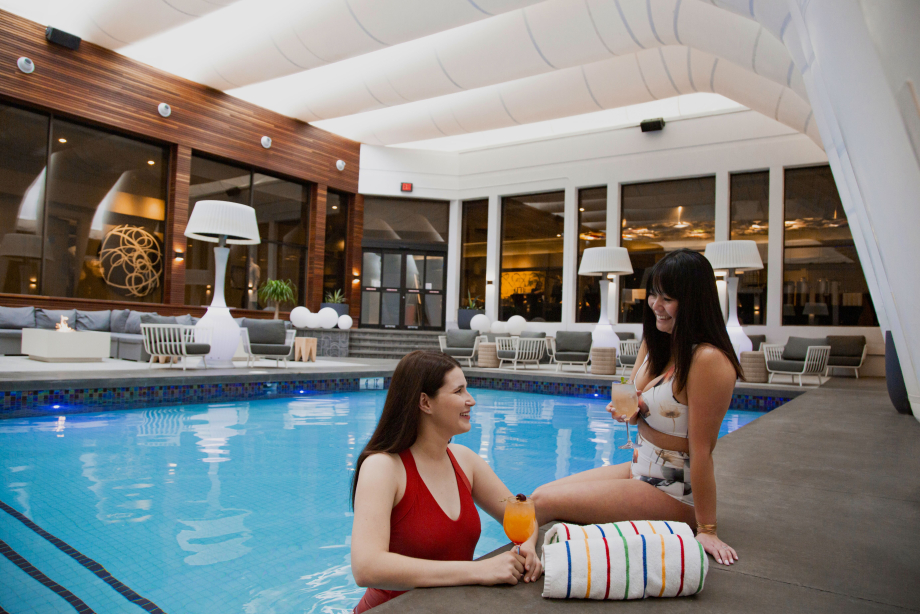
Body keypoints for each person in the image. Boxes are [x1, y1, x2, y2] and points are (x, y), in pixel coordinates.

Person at [532, 249, 742, 567]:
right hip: (638, 469)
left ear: (694, 301)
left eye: (667, 297)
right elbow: (630, 395)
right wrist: (626, 408)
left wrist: (707, 529)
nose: (656, 305)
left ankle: (513, 565)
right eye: (654, 294)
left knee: (541, 503)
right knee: (538, 495)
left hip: (672, 489)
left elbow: (702, 451)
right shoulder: (655, 340)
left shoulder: (708, 360)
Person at [350, 351, 543, 612]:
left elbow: (523, 514)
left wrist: (527, 547)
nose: (471, 400)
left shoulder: (465, 461)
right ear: (425, 403)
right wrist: (477, 570)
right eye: (459, 391)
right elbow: (366, 567)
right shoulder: (384, 467)